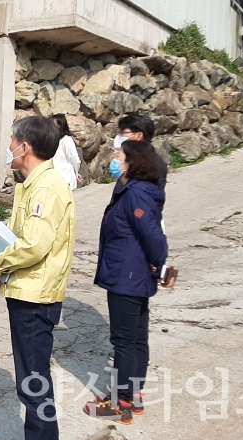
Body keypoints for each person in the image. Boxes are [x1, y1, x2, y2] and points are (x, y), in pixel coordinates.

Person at [0, 116, 75, 440]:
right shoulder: (36, 183)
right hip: (27, 291)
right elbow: (23, 238)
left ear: (25, 146)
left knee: (34, 385)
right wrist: (1, 269)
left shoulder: (47, 187)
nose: (8, 146)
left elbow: (34, 245)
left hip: (35, 298)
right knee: (32, 382)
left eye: (11, 140)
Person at [83, 140, 170, 424]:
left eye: (120, 156)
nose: (115, 159)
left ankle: (122, 405)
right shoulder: (133, 190)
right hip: (131, 273)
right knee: (133, 339)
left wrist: (159, 263)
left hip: (127, 276)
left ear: (132, 162)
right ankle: (131, 398)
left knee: (124, 342)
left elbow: (154, 236)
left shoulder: (137, 195)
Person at [110, 114, 167, 194]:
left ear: (138, 136)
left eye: (124, 132)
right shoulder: (132, 158)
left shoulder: (152, 164)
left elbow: (147, 198)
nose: (120, 136)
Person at [49, 114, 82, 190]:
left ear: (60, 125)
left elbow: (74, 159)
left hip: (65, 179)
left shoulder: (66, 140)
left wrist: (76, 173)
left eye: (52, 124)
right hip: (54, 180)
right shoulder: (53, 141)